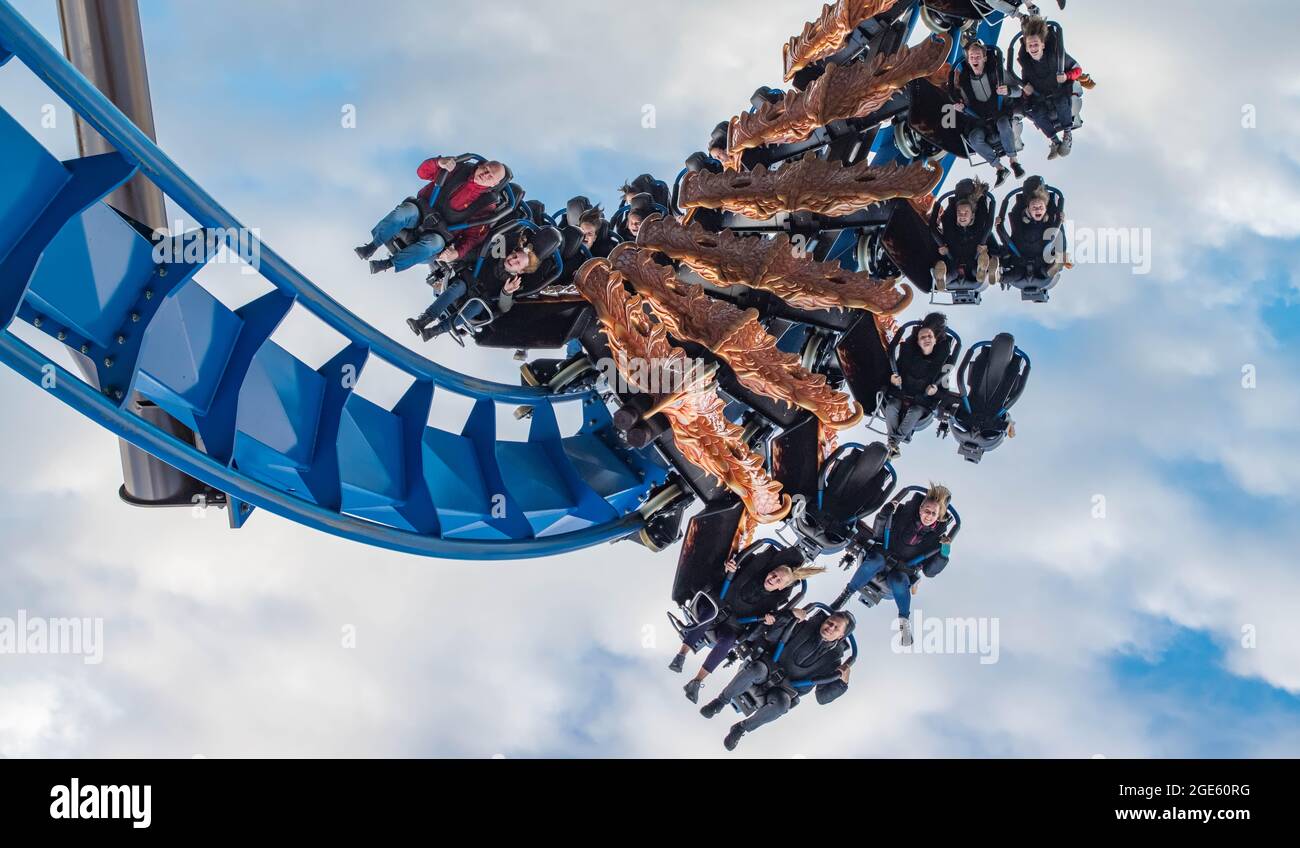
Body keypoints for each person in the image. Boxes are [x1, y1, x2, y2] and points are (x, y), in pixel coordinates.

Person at [668, 545, 826, 704]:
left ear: (781, 587)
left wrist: (768, 621)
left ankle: (696, 682)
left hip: (731, 625)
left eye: (778, 581)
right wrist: (728, 568)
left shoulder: (773, 603)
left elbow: (765, 628)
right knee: (710, 615)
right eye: (774, 574)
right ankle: (681, 655)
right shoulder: (753, 569)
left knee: (728, 641)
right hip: (713, 604)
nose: (773, 579)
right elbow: (726, 570)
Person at [699, 608, 853, 751]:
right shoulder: (804, 626)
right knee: (755, 669)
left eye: (836, 628)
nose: (830, 628)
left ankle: (740, 729)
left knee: (782, 705)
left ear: (841, 636)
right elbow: (772, 635)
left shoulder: (833, 661)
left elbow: (822, 698)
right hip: (769, 666)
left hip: (785, 688)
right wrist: (789, 616)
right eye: (829, 622)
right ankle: (719, 702)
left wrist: (841, 683)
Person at [833, 485, 954, 647]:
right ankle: (845, 594)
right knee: (876, 560)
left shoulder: (936, 538)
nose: (928, 516)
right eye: (926, 510)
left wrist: (944, 553)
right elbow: (878, 532)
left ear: (938, 516)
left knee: (898, 580)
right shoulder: (904, 514)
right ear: (920, 508)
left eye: (933, 513)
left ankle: (904, 620)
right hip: (882, 555)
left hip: (901, 571)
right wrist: (885, 512)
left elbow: (930, 571)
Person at [357, 156, 508, 274]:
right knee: (404, 211)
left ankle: (388, 264)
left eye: (491, 176)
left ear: (494, 184)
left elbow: (474, 237)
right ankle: (372, 246)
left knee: (434, 244)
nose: (485, 174)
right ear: (481, 165)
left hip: (441, 232)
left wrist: (457, 253)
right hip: (421, 211)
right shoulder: (457, 167)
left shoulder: (486, 205)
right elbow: (422, 172)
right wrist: (438, 163)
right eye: (486, 169)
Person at [407, 232, 541, 340]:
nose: (512, 260)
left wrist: (506, 292)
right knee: (458, 286)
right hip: (468, 284)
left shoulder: (515, 283)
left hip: (481, 300)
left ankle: (434, 331)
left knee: (476, 306)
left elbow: (504, 308)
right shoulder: (497, 253)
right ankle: (423, 320)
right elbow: (477, 254)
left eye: (517, 262)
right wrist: (456, 256)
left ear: (520, 271)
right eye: (514, 255)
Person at [1009, 17, 1093, 159]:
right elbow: (1026, 86)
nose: (1033, 48)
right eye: (1030, 46)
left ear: (1042, 45)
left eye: (1036, 45)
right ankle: (1055, 141)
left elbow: (1078, 69)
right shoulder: (1027, 66)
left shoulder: (1056, 56)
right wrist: (1026, 91)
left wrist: (1066, 76)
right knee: (1036, 112)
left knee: (1060, 102)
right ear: (1027, 49)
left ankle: (1067, 134)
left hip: (1060, 91)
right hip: (1041, 97)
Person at [951, 39, 1024, 187]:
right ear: (968, 60)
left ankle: (1014, 161)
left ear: (984, 58)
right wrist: (960, 108)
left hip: (1000, 113)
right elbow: (964, 106)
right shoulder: (965, 81)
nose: (975, 59)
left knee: (1003, 124)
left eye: (978, 56)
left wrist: (1008, 91)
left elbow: (1019, 92)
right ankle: (999, 168)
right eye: (971, 57)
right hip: (981, 120)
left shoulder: (997, 74)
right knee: (973, 138)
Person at [883, 313, 957, 457]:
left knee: (914, 411)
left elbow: (945, 393)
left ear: (936, 340)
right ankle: (893, 445)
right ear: (917, 341)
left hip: (921, 402)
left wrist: (935, 391)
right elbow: (892, 371)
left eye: (930, 336)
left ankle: (893, 443)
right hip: (901, 393)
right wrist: (892, 379)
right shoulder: (908, 354)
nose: (926, 339)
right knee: (891, 406)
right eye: (923, 337)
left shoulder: (944, 364)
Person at [997, 183, 1066, 288]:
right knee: (1016, 274)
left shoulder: (1052, 222)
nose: (1038, 209)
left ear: (1045, 209)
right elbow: (1006, 239)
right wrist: (998, 224)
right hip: (1020, 259)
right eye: (1034, 207)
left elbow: (1061, 242)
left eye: (1040, 207)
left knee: (1046, 270)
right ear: (1028, 208)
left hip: (1043, 260)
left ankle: (1054, 267)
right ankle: (998, 277)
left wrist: (1060, 223)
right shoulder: (1019, 220)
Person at [932, 180, 996, 291]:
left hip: (974, 258)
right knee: (952, 272)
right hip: (953, 258)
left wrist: (987, 250)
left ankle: (983, 268)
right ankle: (941, 278)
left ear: (972, 215)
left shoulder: (980, 222)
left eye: (966, 213)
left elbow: (989, 232)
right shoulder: (950, 221)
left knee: (976, 271)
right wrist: (941, 247)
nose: (962, 215)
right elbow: (935, 230)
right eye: (960, 214)